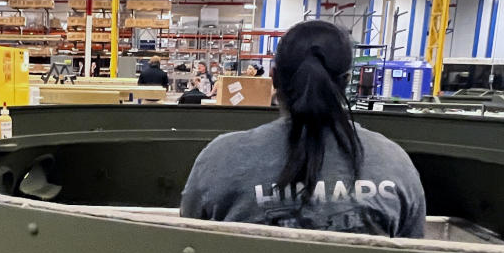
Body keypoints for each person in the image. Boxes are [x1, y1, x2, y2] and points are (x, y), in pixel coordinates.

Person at [181, 20, 425, 237]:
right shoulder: (394, 162)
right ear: (346, 81)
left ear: (274, 78)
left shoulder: (221, 159)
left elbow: (187, 246)